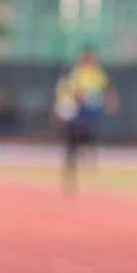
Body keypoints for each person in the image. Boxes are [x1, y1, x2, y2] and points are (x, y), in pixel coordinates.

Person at [55, 48, 117, 190]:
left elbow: (106, 87)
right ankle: (71, 170)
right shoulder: (77, 73)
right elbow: (71, 92)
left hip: (91, 114)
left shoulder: (97, 74)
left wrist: (109, 99)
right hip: (77, 114)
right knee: (73, 142)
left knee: (90, 138)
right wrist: (80, 97)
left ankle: (89, 162)